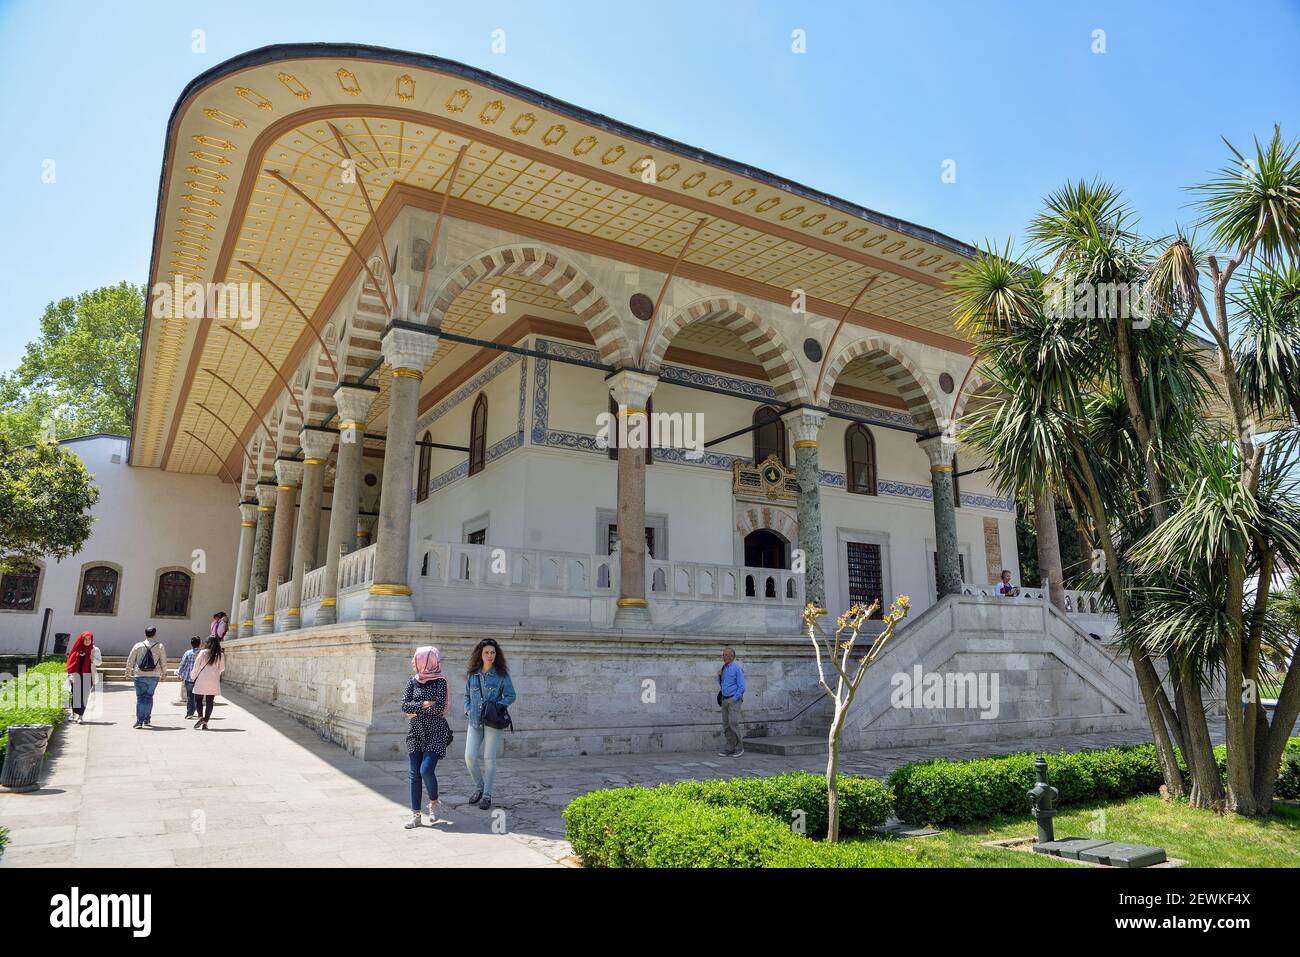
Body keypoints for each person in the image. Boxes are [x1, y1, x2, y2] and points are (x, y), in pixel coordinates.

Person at [401, 646, 453, 829]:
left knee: (426, 770)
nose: (412, 662)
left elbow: (440, 708)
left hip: (436, 732)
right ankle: (416, 815)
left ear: (426, 661)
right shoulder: (412, 681)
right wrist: (424, 704)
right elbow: (404, 706)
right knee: (414, 774)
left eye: (415, 658)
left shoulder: (441, 682)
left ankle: (434, 801)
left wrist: (416, 709)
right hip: (415, 733)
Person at [463, 638, 516, 810]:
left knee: (489, 759)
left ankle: (487, 795)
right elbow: (466, 696)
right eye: (486, 652)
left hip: (493, 722)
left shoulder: (501, 675)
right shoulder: (473, 674)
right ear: (480, 654)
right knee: (470, 757)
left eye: (493, 652)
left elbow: (511, 695)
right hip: (475, 721)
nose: (490, 655)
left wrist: (496, 707)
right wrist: (468, 710)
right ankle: (480, 788)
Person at [125, 627, 168, 729]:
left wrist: (127, 672)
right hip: (154, 675)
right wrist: (164, 674)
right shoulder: (160, 646)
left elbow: (130, 660)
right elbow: (163, 661)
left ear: (145, 634)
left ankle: (139, 721)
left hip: (139, 675)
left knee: (140, 698)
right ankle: (147, 719)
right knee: (149, 697)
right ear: (155, 634)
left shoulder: (138, 645)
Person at [190, 633, 226, 730]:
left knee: (198, 700)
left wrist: (193, 676)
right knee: (210, 701)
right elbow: (222, 668)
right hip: (213, 680)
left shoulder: (203, 652)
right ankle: (205, 722)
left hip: (201, 679)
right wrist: (215, 673)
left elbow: (196, 666)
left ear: (207, 643)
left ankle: (201, 717)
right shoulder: (220, 654)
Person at [65, 632, 101, 724]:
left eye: (89, 639)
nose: (87, 641)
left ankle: (81, 716)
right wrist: (70, 675)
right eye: (85, 639)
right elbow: (70, 663)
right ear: (81, 639)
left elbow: (99, 663)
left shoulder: (94, 650)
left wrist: (92, 658)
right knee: (75, 696)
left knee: (84, 697)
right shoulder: (77, 648)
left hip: (88, 676)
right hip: (75, 676)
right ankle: (73, 714)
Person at [718, 646, 746, 757]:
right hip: (724, 699)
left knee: (733, 723)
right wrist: (719, 676)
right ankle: (730, 748)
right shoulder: (724, 668)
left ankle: (740, 748)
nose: (725, 657)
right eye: (724, 655)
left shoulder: (737, 668)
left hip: (733, 700)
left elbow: (742, 686)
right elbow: (723, 684)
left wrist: (734, 698)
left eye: (728, 655)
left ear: (733, 656)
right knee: (726, 725)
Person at [177, 637, 202, 720]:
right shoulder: (202, 653)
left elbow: (182, 664)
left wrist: (179, 673)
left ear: (191, 644)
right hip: (199, 677)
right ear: (200, 643)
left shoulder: (188, 653)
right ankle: (199, 713)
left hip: (189, 677)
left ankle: (189, 713)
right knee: (198, 696)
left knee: (190, 696)